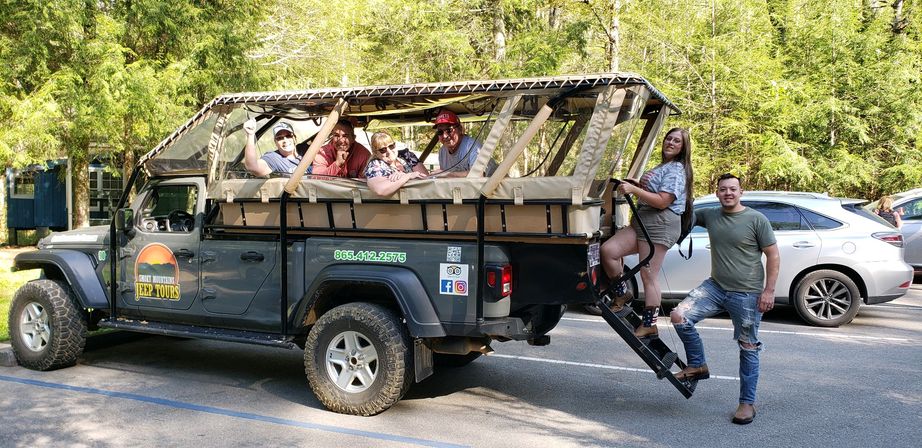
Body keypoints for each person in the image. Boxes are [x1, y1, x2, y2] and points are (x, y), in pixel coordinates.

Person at [670, 173, 780, 425]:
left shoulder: (756, 219)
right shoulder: (710, 215)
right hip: (715, 287)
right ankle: (697, 365)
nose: (728, 193)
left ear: (741, 192)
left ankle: (746, 404)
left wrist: (769, 291)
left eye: (733, 189)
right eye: (723, 189)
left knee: (748, 347)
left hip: (748, 294)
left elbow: (773, 256)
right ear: (717, 192)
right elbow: (681, 213)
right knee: (679, 316)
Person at [599, 127, 694, 338]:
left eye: (676, 141)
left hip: (661, 223)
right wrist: (638, 184)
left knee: (649, 276)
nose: (670, 142)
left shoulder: (677, 170)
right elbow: (653, 192)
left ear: (683, 148)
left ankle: (650, 323)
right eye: (669, 138)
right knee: (609, 251)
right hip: (643, 220)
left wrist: (635, 190)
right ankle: (622, 294)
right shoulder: (664, 166)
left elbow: (663, 201)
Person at [431, 110, 497, 177]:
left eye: (449, 130)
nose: (445, 136)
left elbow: (478, 175)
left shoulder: (473, 147)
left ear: (460, 129)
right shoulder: (442, 152)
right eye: (440, 132)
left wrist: (447, 174)